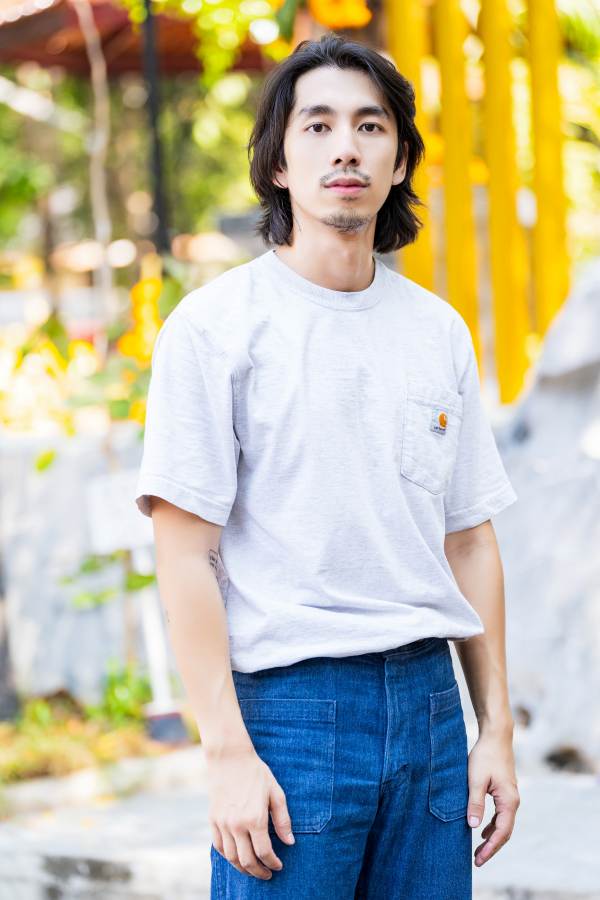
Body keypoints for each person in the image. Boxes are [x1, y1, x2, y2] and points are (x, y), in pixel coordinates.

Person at [135, 33, 520, 899]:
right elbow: (184, 552)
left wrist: (494, 729)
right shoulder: (215, 329)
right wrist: (226, 752)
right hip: (290, 713)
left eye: (370, 126)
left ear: (399, 160)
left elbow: (469, 540)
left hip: (429, 708)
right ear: (277, 163)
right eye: (317, 126)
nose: (346, 147)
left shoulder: (437, 331)